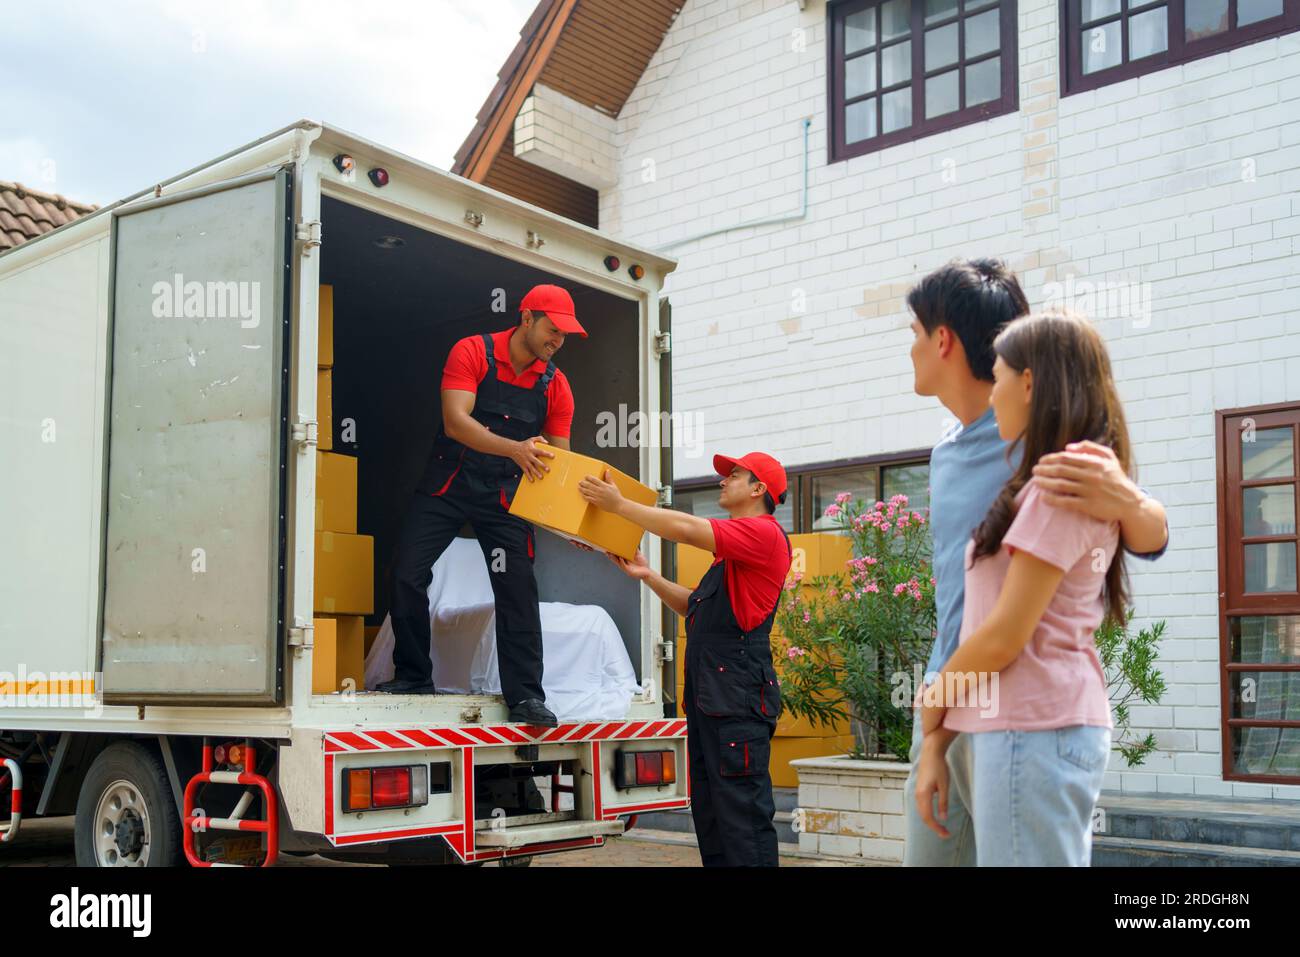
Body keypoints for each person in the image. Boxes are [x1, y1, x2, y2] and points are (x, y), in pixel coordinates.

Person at [901, 260, 1169, 866]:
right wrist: (935, 724)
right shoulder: (944, 452)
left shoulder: (1044, 444)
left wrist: (1128, 498)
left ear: (942, 338)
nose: (909, 348)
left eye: (913, 332)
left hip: (1022, 709)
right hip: (953, 701)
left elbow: (1146, 534)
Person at [376, 284, 582, 728]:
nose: (558, 341)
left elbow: (561, 466)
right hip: (449, 482)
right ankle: (413, 676)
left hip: (505, 497)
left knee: (517, 588)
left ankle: (526, 696)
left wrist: (578, 530)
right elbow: (456, 422)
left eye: (565, 335)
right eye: (553, 330)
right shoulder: (471, 352)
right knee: (407, 572)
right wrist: (515, 449)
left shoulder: (556, 386)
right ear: (526, 318)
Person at [577, 452, 792, 867]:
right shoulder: (732, 557)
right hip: (716, 698)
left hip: (737, 700)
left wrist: (619, 506)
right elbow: (696, 607)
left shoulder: (763, 535)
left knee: (742, 820)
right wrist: (650, 576)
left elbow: (688, 530)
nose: (722, 481)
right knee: (712, 816)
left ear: (758, 489)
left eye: (734, 475)